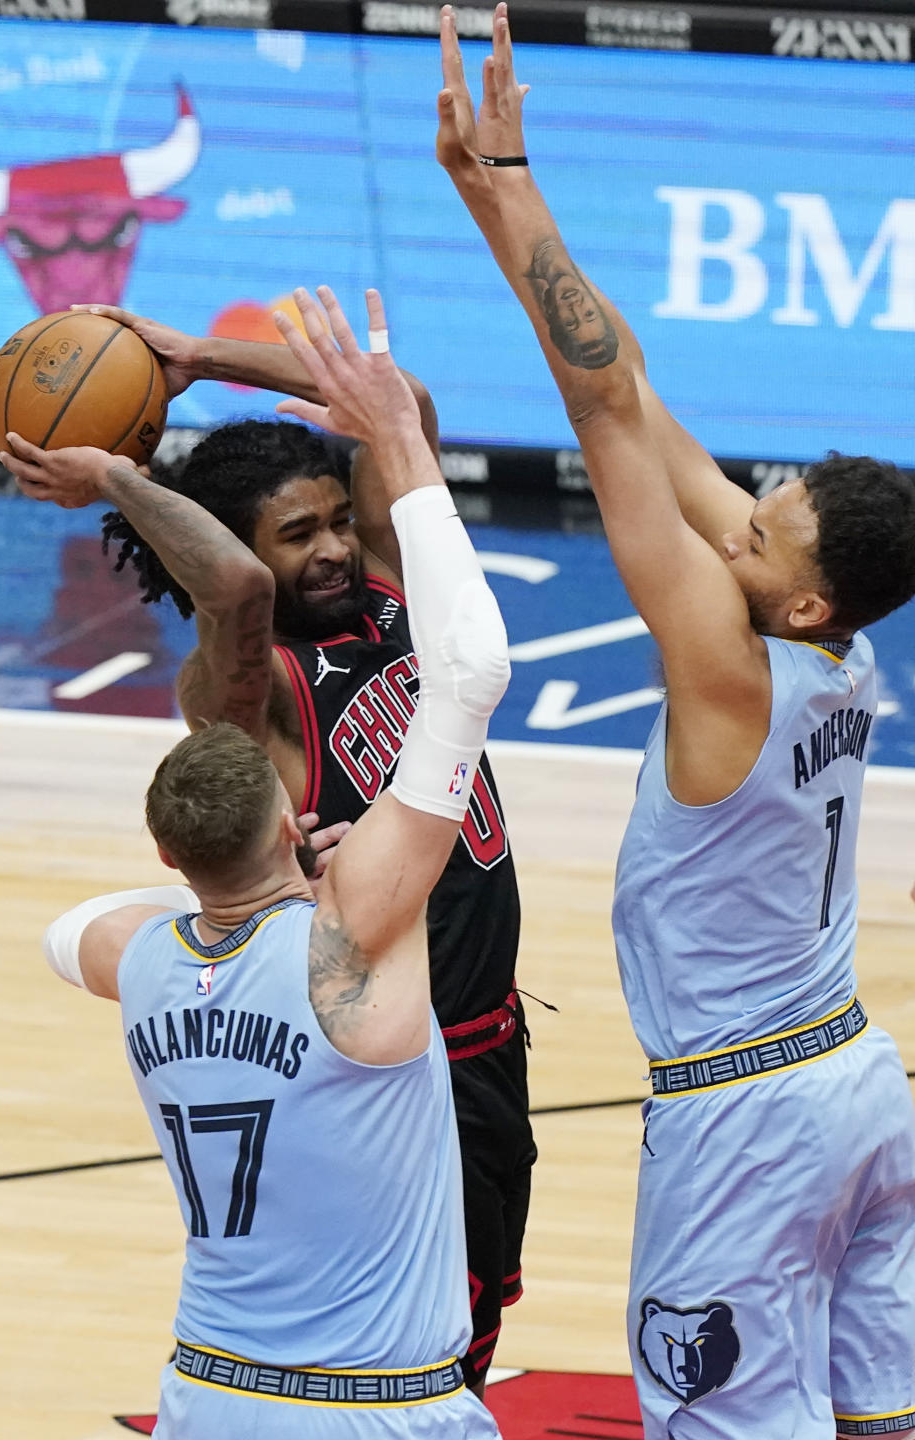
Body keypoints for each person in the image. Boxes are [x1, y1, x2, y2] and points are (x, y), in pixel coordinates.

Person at [435, 6, 915, 1439]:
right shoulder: (845, 659)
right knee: (879, 1412)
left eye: (759, 538)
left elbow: (599, 413)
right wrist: (489, 191)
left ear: (806, 598)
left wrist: (511, 182)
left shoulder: (729, 668)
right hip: (855, 1085)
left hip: (748, 1119)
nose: (735, 533)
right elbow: (639, 392)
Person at [3, 298, 534, 1395]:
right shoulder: (246, 692)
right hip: (381, 1057)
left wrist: (198, 358)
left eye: (338, 519)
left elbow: (407, 412)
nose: (336, 546)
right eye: (302, 533)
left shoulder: (391, 587)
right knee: (419, 1349)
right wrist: (114, 479)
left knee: (471, 1330)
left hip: (488, 1033)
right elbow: (235, 588)